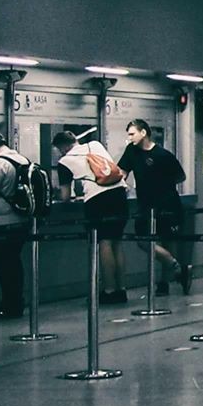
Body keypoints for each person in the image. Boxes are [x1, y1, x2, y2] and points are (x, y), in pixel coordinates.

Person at [53, 128, 129, 303]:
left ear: (62, 147)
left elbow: (65, 196)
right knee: (117, 242)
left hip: (98, 201)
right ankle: (121, 290)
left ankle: (109, 291)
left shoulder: (65, 161)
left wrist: (58, 193)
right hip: (119, 195)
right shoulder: (95, 145)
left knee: (104, 243)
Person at [119, 118, 190, 295]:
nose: (130, 138)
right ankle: (178, 267)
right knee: (143, 240)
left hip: (168, 204)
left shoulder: (163, 155)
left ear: (143, 133)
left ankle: (164, 283)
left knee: (168, 240)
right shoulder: (131, 151)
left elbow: (180, 177)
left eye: (132, 134)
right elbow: (122, 171)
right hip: (145, 204)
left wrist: (162, 185)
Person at [0, 127, 34, 320]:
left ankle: (10, 305)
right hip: (20, 220)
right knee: (12, 265)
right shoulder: (21, 159)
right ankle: (14, 304)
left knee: (4, 266)